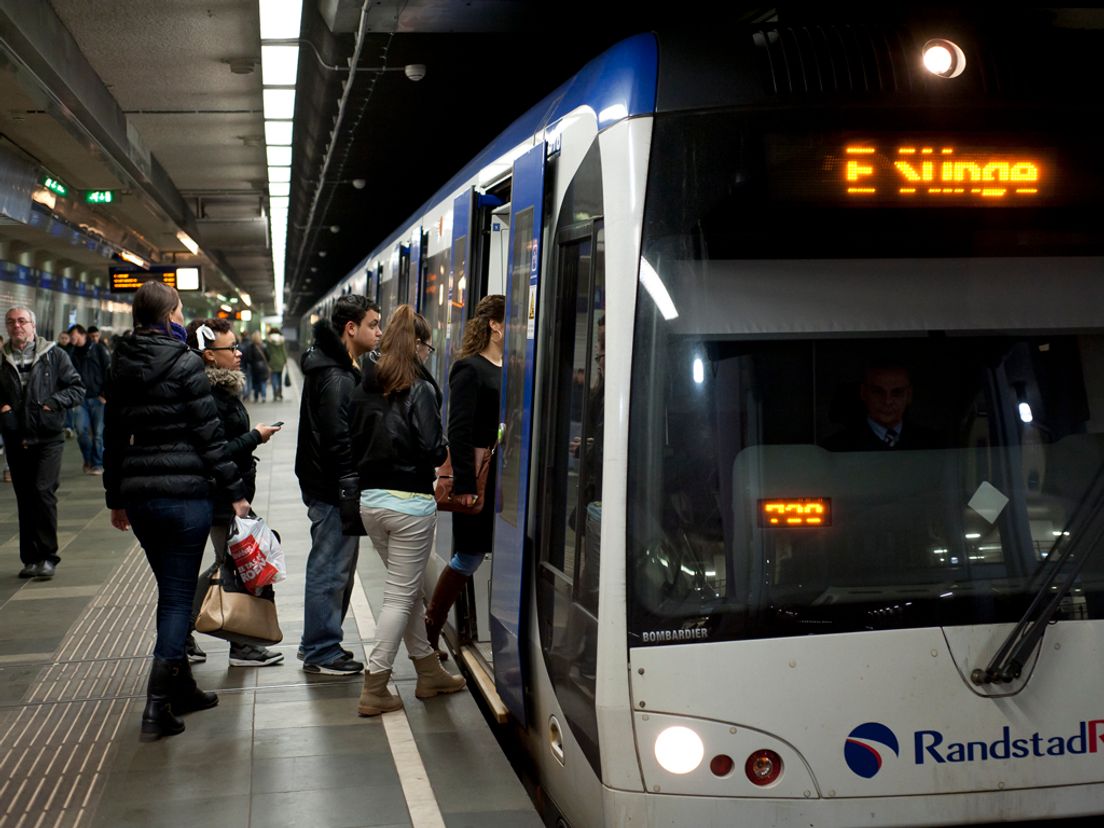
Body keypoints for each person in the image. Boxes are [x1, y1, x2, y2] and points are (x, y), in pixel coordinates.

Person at [103, 281, 250, 742]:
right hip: (186, 495)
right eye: (181, 311)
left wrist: (115, 498)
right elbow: (209, 437)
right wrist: (235, 492)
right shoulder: (186, 363)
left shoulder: (120, 365)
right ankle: (156, 706)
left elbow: (112, 438)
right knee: (175, 597)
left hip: (142, 496)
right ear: (169, 317)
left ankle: (182, 689)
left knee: (170, 586)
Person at [348, 305, 463, 715]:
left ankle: (428, 672)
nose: (428, 353)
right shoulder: (420, 387)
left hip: (371, 504)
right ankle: (375, 683)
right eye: (427, 346)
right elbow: (433, 448)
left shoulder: (363, 383)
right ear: (414, 344)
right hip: (410, 504)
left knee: (408, 591)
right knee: (399, 597)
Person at [185, 318, 283, 667]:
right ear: (210, 355)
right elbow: (219, 451)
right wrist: (255, 436)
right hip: (220, 493)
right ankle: (230, 643)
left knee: (229, 563)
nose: (239, 353)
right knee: (229, 564)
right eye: (231, 348)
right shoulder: (209, 395)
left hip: (225, 490)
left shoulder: (221, 389)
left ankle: (194, 635)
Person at [295, 295, 382, 675]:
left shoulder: (334, 368)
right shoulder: (336, 377)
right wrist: (351, 487)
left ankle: (318, 643)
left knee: (334, 566)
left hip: (326, 483)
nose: (379, 332)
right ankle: (320, 649)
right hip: (333, 487)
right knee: (330, 568)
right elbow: (338, 439)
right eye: (373, 325)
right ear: (351, 329)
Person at [424, 294, 505, 659]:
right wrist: (467, 487)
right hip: (481, 479)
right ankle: (430, 630)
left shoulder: (515, 367)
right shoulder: (469, 369)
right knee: (469, 557)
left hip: (509, 479)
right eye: (512, 322)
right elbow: (458, 431)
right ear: (495, 325)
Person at [0, 308, 84, 579]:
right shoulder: (1, 359)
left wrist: (52, 403)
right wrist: (4, 409)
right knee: (25, 496)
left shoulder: (54, 355)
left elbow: (76, 388)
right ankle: (31, 558)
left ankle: (48, 556)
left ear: (33, 326)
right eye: (11, 322)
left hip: (48, 436)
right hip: (16, 436)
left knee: (43, 492)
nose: (17, 326)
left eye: (22, 321)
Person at [823, 362, 940, 451]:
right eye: (878, 392)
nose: (887, 401)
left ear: (909, 395)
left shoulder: (933, 443)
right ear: (864, 393)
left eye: (897, 392)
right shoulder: (837, 447)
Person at [66, 324, 111, 475]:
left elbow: (108, 370)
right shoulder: (72, 353)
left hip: (98, 398)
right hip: (81, 399)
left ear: (82, 334)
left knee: (98, 434)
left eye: (73, 336)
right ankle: (88, 460)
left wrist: (105, 394)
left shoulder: (97, 349)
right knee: (81, 432)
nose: (71, 339)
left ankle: (97, 464)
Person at [245, 331, 271, 403]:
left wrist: (252, 363)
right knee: (263, 382)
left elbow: (249, 358)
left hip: (254, 367)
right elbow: (268, 357)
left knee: (256, 382)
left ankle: (256, 397)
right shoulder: (263, 346)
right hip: (263, 367)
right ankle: (263, 396)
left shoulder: (251, 347)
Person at [266, 327, 288, 401]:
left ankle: (275, 393)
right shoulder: (281, 340)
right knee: (279, 378)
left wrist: (268, 360)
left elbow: (267, 351)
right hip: (281, 361)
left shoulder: (269, 340)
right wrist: (285, 360)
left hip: (272, 361)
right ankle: (280, 393)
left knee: (274, 378)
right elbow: (283, 351)